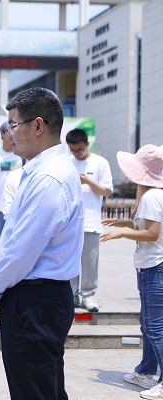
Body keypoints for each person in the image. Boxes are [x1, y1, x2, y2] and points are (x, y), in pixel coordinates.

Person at [0, 87, 84, 400]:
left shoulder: (48, 177)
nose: (9, 133)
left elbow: (21, 252)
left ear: (37, 125)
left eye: (13, 125)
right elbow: (13, 238)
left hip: (34, 300)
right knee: (44, 388)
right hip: (37, 297)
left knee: (33, 391)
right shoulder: (40, 171)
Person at [100, 144, 163, 399]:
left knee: (154, 326)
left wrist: (122, 233)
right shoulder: (151, 195)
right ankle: (146, 371)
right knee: (148, 324)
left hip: (154, 267)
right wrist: (123, 222)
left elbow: (152, 233)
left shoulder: (152, 197)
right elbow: (143, 222)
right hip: (149, 267)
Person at [66, 128, 113, 312]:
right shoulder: (67, 162)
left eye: (79, 149)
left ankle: (88, 295)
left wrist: (88, 181)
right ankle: (71, 295)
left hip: (91, 221)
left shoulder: (100, 163)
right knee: (70, 261)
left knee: (90, 262)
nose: (76, 153)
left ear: (87, 144)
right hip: (69, 222)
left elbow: (107, 191)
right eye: (72, 150)